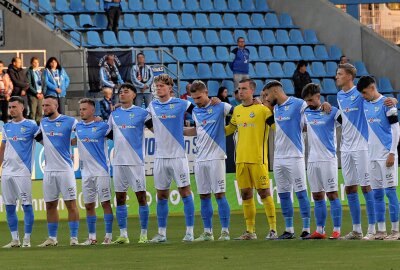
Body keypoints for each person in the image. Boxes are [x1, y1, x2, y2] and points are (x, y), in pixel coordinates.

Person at [225, 79, 277, 240]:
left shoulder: (263, 110)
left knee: (264, 192)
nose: (240, 91)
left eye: (244, 88)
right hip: (241, 160)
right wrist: (209, 128)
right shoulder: (237, 110)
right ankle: (250, 231)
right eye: (239, 89)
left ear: (252, 90)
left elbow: (276, 126)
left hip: (258, 159)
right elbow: (229, 129)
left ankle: (273, 230)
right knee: (246, 194)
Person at [147, 74, 196, 243]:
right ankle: (161, 233)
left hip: (178, 156)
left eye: (161, 86)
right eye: (157, 86)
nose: (158, 88)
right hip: (160, 157)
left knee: (185, 191)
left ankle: (189, 232)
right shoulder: (152, 105)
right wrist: (159, 132)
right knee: (161, 195)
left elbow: (199, 111)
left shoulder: (181, 103)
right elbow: (146, 121)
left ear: (170, 88)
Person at [264, 80, 315, 240]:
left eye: (267, 95)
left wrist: (324, 107)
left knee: (300, 193)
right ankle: (289, 229)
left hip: (295, 156)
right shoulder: (276, 108)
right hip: (278, 158)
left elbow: (314, 109)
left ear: (275, 92)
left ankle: (306, 228)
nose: (265, 98)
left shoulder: (298, 103)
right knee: (284, 194)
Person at [183, 80, 232, 241]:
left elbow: (239, 113)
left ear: (206, 93)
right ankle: (207, 232)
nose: (196, 102)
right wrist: (178, 131)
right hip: (200, 159)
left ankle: (225, 231)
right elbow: (198, 130)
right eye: (194, 99)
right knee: (203, 196)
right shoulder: (196, 111)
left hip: (216, 157)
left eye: (198, 98)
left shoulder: (220, 106)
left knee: (219, 195)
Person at [335, 63, 377, 240]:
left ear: (349, 77)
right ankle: (357, 230)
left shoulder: (360, 95)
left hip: (361, 146)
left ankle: (373, 229)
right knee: (350, 188)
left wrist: (393, 100)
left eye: (339, 74)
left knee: (367, 187)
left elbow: (376, 99)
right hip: (345, 148)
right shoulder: (338, 95)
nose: (336, 76)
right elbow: (343, 119)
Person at [108, 83, 152, 244]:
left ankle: (144, 234)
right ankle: (123, 235)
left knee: (141, 197)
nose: (122, 94)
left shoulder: (142, 113)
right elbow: (109, 134)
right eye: (120, 92)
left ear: (134, 95)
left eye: (126, 91)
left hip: (136, 162)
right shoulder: (114, 114)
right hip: (118, 163)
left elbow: (155, 129)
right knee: (120, 198)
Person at [357, 76, 400, 240]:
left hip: (386, 155)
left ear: (372, 88)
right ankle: (381, 231)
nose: (363, 96)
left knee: (390, 192)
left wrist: (392, 153)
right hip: (372, 156)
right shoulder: (365, 103)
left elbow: (396, 129)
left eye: (365, 92)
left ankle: (396, 231)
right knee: (377, 194)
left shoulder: (387, 104)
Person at [301, 83, 343, 239]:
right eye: (306, 101)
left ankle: (337, 230)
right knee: (317, 196)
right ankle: (320, 230)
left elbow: (349, 124)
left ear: (318, 97)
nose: (309, 103)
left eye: (311, 100)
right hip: (312, 160)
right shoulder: (305, 112)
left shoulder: (332, 111)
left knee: (332, 194)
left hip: (328, 159)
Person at [38, 96, 80, 247]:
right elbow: (39, 139)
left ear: (56, 105)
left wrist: (69, 144)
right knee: (50, 205)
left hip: (65, 170)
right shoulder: (42, 123)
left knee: (71, 204)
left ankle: (74, 238)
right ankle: (52, 238)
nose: (45, 108)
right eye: (43, 106)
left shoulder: (70, 121)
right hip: (49, 171)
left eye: (47, 105)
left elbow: (83, 133)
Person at [0, 96, 41, 248]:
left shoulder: (31, 125)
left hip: (22, 172)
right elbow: (3, 148)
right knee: (9, 207)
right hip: (6, 173)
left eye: (14, 107)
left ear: (22, 108)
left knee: (27, 206)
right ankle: (15, 240)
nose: (11, 110)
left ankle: (27, 240)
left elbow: (45, 141)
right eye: (9, 107)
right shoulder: (6, 126)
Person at [75, 98, 114, 245]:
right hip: (86, 173)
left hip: (101, 171)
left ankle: (108, 236)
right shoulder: (77, 126)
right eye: (80, 109)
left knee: (105, 203)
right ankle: (92, 237)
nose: (81, 112)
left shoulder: (102, 126)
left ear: (92, 110)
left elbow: (116, 136)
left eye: (84, 109)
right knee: (89, 205)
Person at [26, 57, 44, 124]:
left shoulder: (40, 72)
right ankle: (32, 126)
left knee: (40, 112)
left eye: (37, 62)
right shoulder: (29, 72)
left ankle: (38, 127)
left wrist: (42, 93)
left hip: (41, 94)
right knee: (33, 112)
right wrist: (36, 93)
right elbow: (29, 85)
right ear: (31, 63)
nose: (36, 64)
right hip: (33, 95)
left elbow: (44, 83)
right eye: (34, 62)